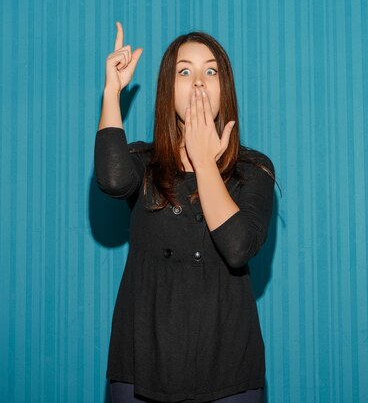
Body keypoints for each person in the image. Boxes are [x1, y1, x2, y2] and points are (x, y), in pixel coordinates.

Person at [94, 21, 276, 403]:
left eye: (210, 71)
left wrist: (204, 161)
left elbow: (238, 245)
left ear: (224, 87)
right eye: (184, 71)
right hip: (143, 358)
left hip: (228, 366)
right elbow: (111, 180)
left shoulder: (254, 168)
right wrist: (111, 92)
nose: (198, 81)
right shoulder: (144, 162)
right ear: (166, 89)